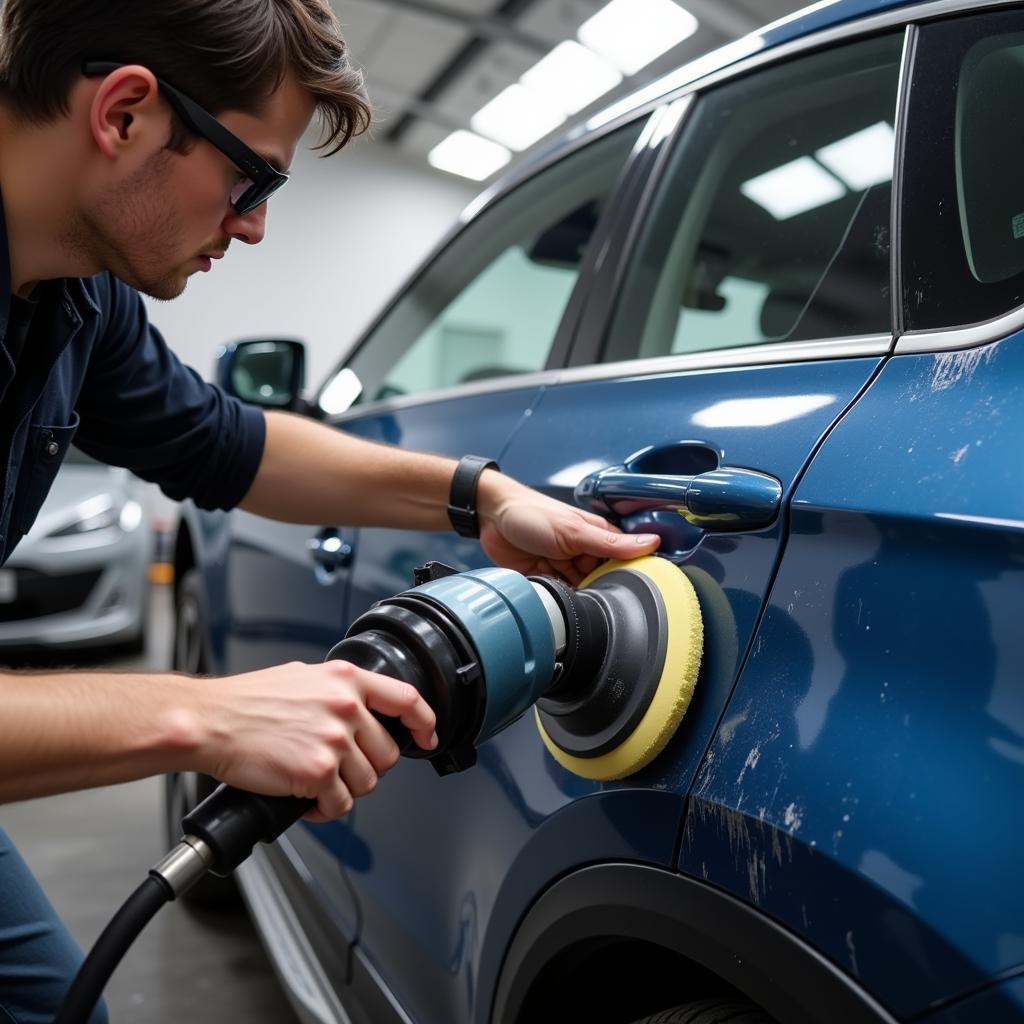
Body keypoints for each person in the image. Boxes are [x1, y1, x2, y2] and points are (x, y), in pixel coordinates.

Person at [0, 1, 661, 1019]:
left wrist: (479, 495)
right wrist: (205, 713)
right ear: (125, 113)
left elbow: (230, 442)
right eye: (250, 176)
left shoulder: (78, 303)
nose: (255, 225)